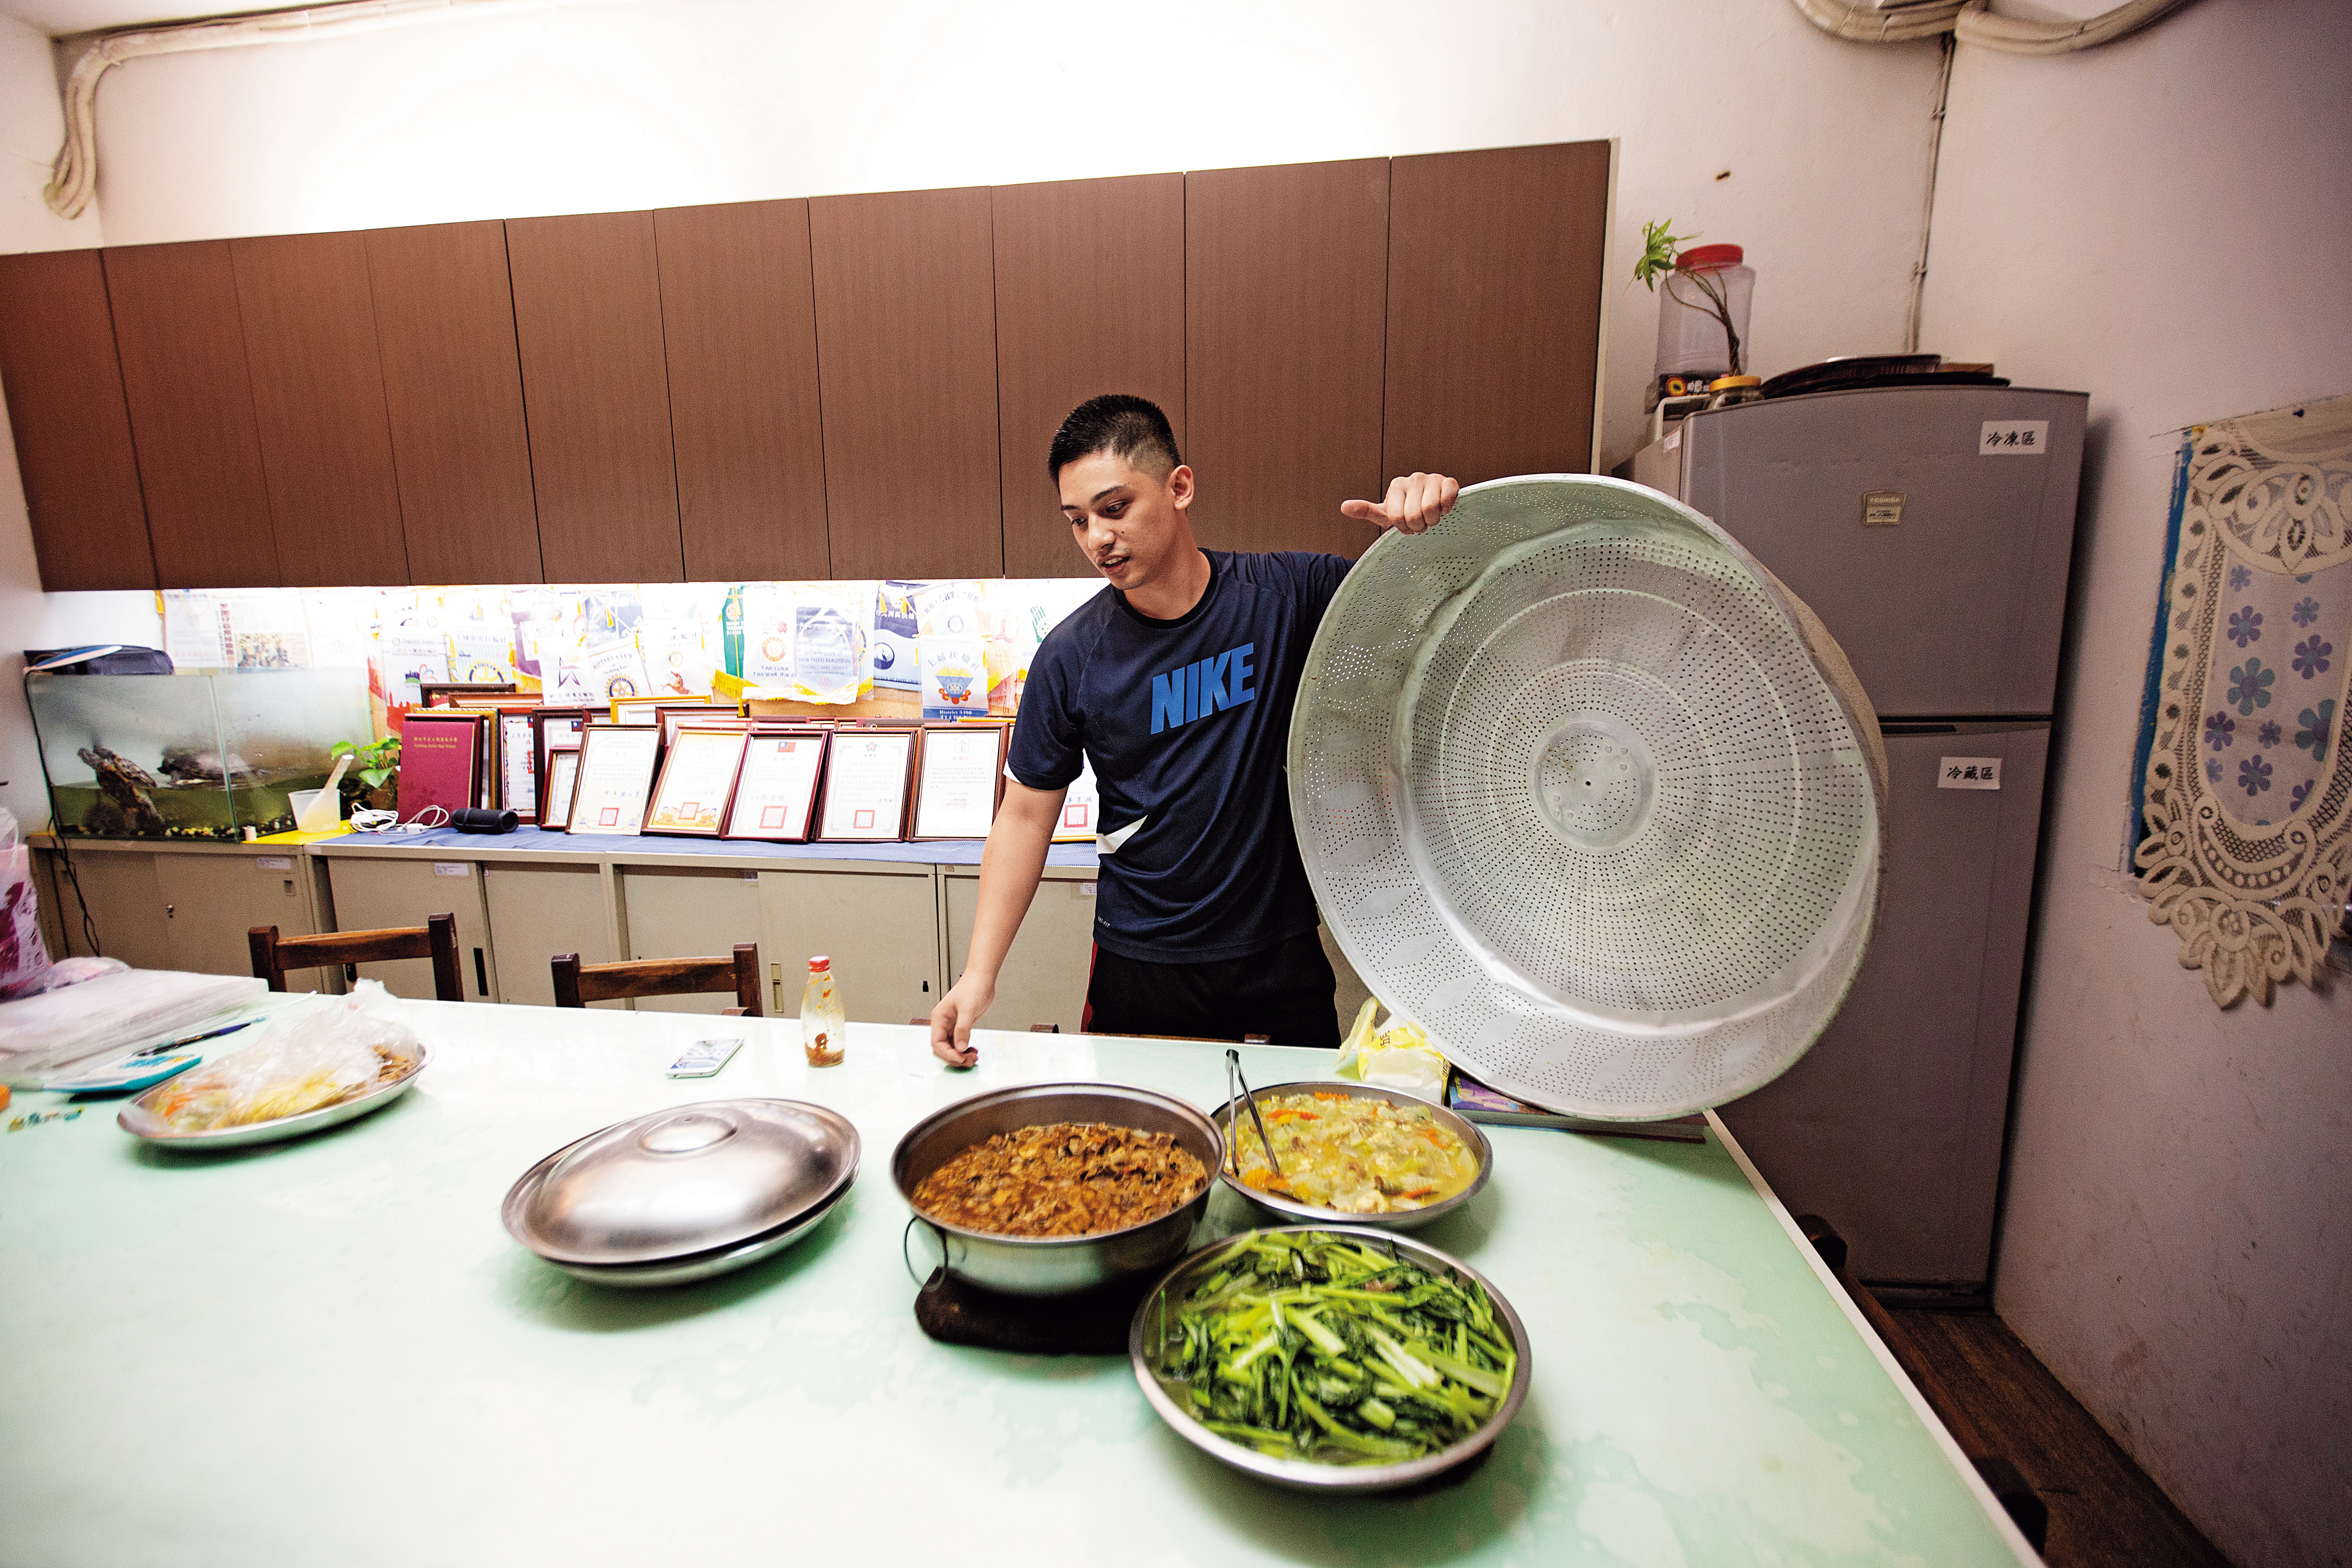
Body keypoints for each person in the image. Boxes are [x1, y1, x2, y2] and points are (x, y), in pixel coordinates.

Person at [928, 394, 1458, 1065]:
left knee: (1301, 1155)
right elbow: (1026, 817)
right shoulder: (1071, 656)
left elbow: (1439, 626)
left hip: (1279, 955)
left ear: (1179, 486)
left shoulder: (1290, 595)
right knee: (1136, 1159)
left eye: (1115, 508)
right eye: (1078, 520)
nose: (1097, 538)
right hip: (1140, 964)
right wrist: (979, 973)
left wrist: (1429, 533)